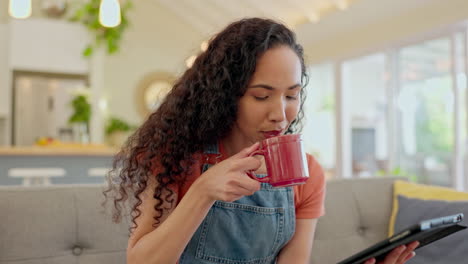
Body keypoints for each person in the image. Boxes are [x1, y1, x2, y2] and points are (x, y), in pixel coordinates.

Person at [104, 18, 419, 264]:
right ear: (225, 96)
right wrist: (202, 192)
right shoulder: (176, 156)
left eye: (292, 95)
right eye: (262, 95)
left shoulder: (307, 174)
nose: (280, 115)